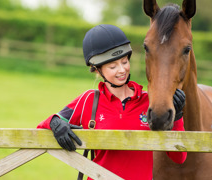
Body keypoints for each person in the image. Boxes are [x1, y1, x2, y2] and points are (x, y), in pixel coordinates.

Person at [37, 24, 187, 180]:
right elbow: (45, 124)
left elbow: (179, 157)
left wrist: (177, 118)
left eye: (124, 62)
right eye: (113, 66)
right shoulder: (89, 100)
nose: (122, 70)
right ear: (97, 70)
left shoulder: (149, 101)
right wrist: (55, 124)